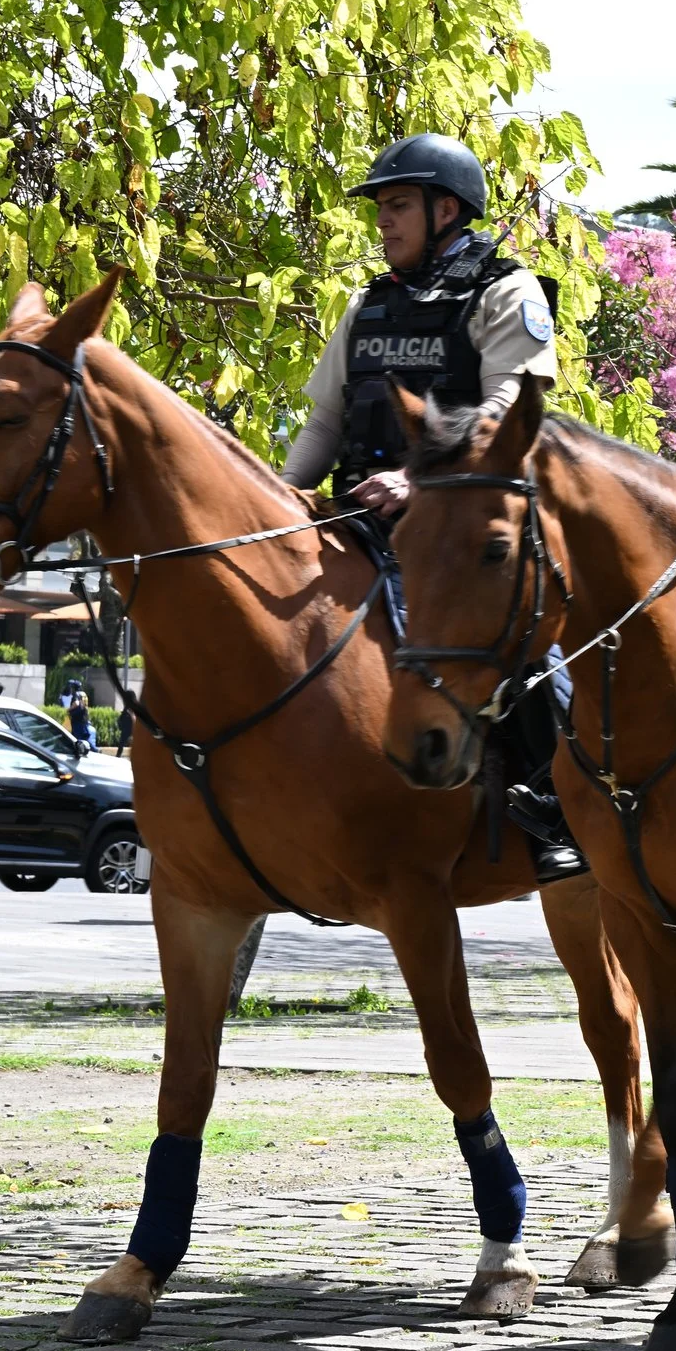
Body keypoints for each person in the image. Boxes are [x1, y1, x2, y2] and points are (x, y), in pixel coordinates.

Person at [275, 131, 585, 884]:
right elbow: (325, 423)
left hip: (459, 526)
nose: (383, 221)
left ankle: (559, 808)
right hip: (357, 514)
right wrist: (280, 502)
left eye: (398, 205)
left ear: (446, 210)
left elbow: (509, 406)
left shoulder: (506, 292)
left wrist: (419, 484)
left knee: (524, 643)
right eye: (381, 207)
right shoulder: (367, 304)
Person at [64, 680, 96, 752]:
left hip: (77, 719)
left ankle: (94, 750)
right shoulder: (84, 694)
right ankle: (94, 749)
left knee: (78, 737)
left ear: (74, 688)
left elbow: (76, 703)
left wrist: (69, 709)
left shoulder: (76, 694)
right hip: (84, 718)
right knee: (84, 736)